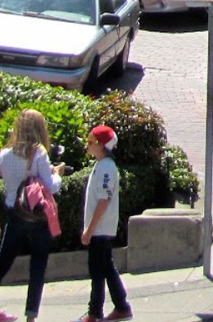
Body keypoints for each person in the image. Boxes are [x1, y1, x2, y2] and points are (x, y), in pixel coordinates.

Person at [0, 110, 67, 322]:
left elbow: (2, 178)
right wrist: (58, 175)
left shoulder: (5, 153)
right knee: (38, 263)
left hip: (15, 211)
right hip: (37, 215)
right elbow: (51, 186)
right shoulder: (39, 153)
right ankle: (31, 314)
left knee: (3, 260)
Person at [78, 126, 131, 322]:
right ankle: (122, 306)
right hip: (99, 229)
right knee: (106, 267)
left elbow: (103, 200)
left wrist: (89, 229)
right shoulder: (101, 165)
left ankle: (94, 313)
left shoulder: (107, 167)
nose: (87, 145)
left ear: (101, 145)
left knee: (97, 271)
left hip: (100, 229)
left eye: (90, 141)